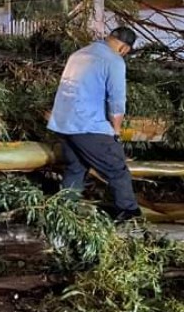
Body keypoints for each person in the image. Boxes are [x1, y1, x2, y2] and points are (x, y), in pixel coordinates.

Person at [47, 27, 142, 222]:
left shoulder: (79, 54)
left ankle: (64, 212)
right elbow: (116, 101)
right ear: (124, 48)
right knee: (117, 169)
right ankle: (129, 214)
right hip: (87, 124)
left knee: (76, 167)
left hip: (63, 123)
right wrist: (115, 131)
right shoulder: (114, 61)